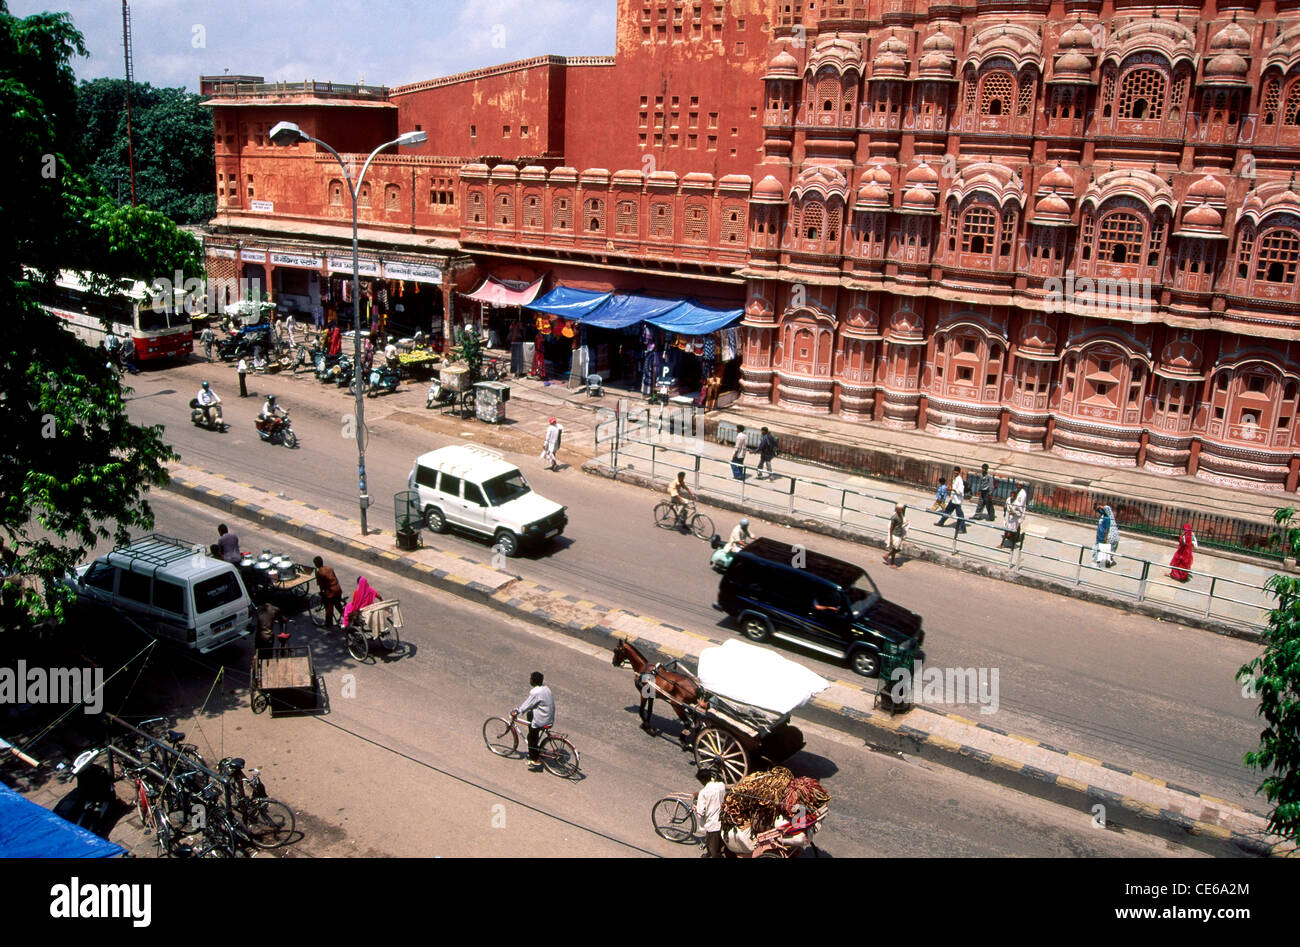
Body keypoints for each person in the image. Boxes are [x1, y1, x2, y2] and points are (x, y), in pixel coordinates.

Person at [514, 671, 555, 772]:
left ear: (533, 681)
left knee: (531, 737)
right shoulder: (546, 688)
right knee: (530, 715)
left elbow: (527, 704)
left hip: (542, 720)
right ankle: (535, 741)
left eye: (530, 678)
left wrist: (517, 711)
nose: (529, 680)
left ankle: (534, 759)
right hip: (549, 717)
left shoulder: (535, 692)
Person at [694, 766, 727, 858]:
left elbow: (700, 813)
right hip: (723, 820)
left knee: (714, 849)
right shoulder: (721, 785)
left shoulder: (703, 792)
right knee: (715, 842)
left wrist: (695, 809)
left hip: (713, 824)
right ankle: (708, 853)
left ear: (703, 780)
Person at [312, 556, 343, 627]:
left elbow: (321, 586)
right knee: (338, 605)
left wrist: (322, 593)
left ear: (316, 564)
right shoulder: (329, 568)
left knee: (329, 607)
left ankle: (329, 623)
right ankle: (348, 618)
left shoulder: (319, 573)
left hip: (331, 592)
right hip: (338, 589)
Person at [936, 466, 967, 534]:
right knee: (947, 511)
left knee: (960, 514)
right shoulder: (955, 479)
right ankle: (941, 522)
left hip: (957, 501)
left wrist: (952, 489)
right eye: (954, 471)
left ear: (958, 472)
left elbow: (960, 491)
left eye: (956, 472)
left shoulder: (959, 480)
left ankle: (963, 529)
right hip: (953, 499)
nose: (955, 473)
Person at [1002, 482, 1028, 549]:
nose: (1018, 486)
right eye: (1018, 485)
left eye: (1020, 485)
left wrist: (1014, 513)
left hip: (1015, 518)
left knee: (1014, 531)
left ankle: (1014, 541)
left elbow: (1021, 508)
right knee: (1007, 530)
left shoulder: (1022, 495)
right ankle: (1003, 543)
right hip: (1009, 518)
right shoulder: (1009, 499)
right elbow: (1007, 505)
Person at [883, 502, 907, 567]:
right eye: (900, 509)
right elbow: (891, 528)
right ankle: (888, 557)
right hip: (895, 535)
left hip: (899, 534)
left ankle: (891, 560)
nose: (901, 510)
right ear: (897, 509)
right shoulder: (894, 517)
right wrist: (891, 538)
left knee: (896, 549)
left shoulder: (901, 515)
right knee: (896, 549)